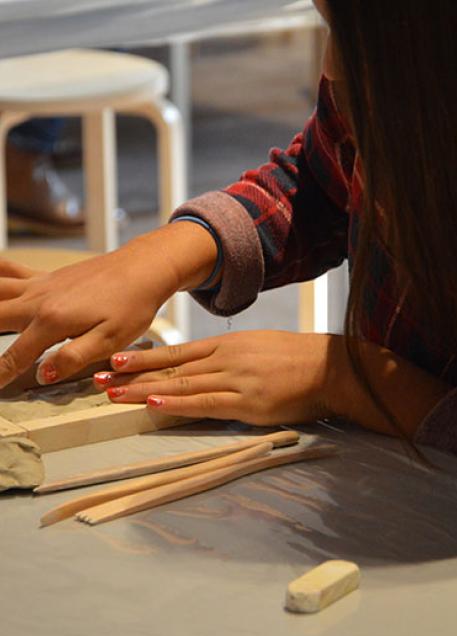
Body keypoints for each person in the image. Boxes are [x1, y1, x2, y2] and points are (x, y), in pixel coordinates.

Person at [0, 0, 455, 453]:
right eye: (328, 23)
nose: (331, 68)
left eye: (352, 36)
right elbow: (318, 182)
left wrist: (348, 378)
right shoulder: (388, 77)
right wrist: (162, 256)